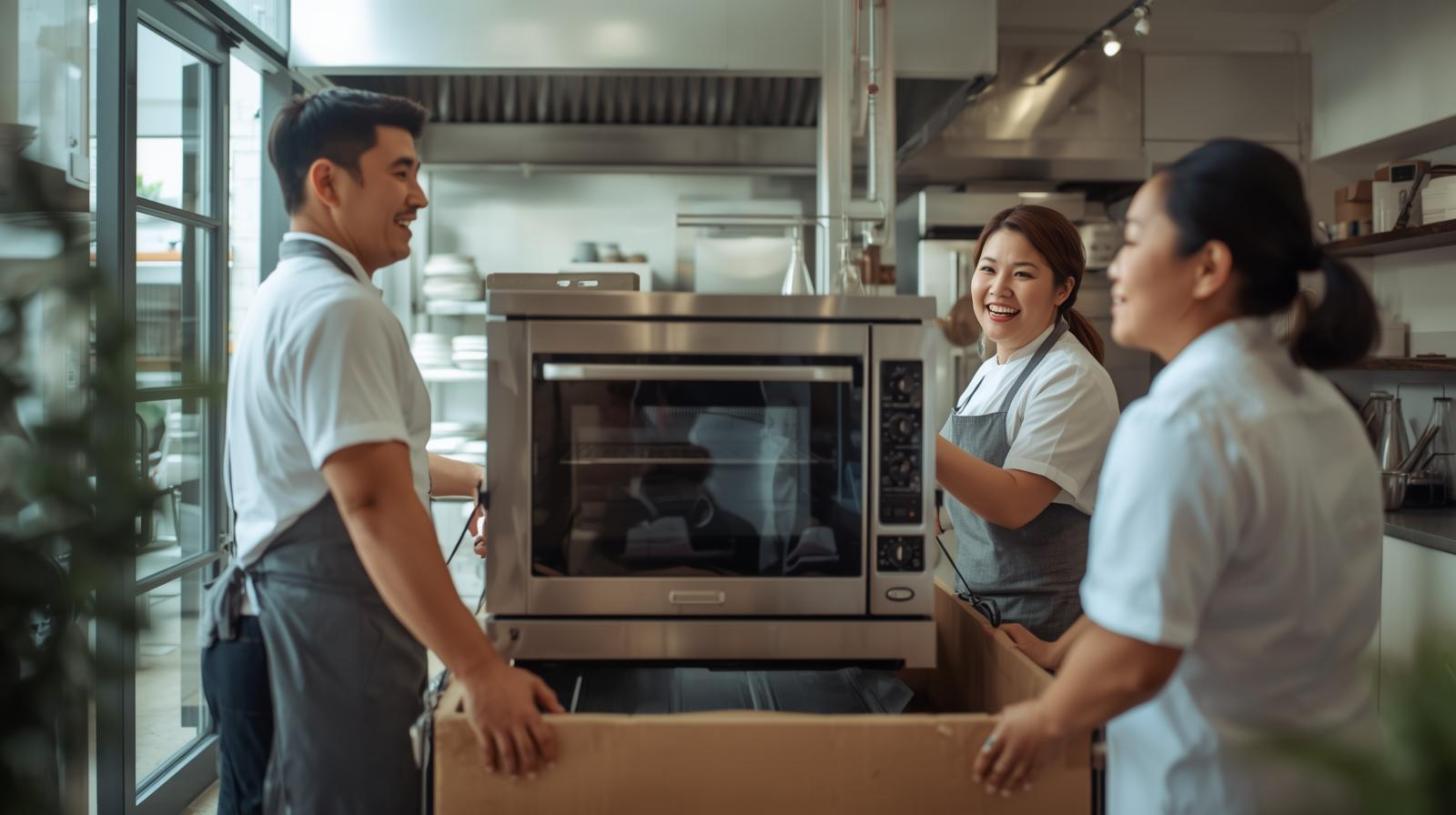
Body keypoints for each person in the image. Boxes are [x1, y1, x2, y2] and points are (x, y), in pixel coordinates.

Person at [973, 139, 1383, 814]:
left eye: (1133, 240)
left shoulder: (1180, 422)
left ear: (1208, 267)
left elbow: (1137, 655)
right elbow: (1168, 595)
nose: (1116, 266)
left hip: (1212, 787)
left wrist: (1043, 721)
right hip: (1331, 779)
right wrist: (1057, 657)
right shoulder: (1324, 407)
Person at [201, 87, 560, 815]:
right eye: (400, 172)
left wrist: (485, 480)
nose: (418, 196)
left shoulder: (290, 291)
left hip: (268, 629)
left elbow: (357, 467)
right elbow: (370, 499)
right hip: (312, 643)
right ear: (328, 182)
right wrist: (480, 668)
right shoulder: (340, 310)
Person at [935, 205, 1120, 641]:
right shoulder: (991, 370)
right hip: (983, 614)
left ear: (1062, 289)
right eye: (988, 269)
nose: (998, 289)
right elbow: (956, 491)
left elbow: (1014, 503)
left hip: (1043, 630)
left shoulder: (1070, 377)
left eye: (1022, 274)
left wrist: (910, 433)